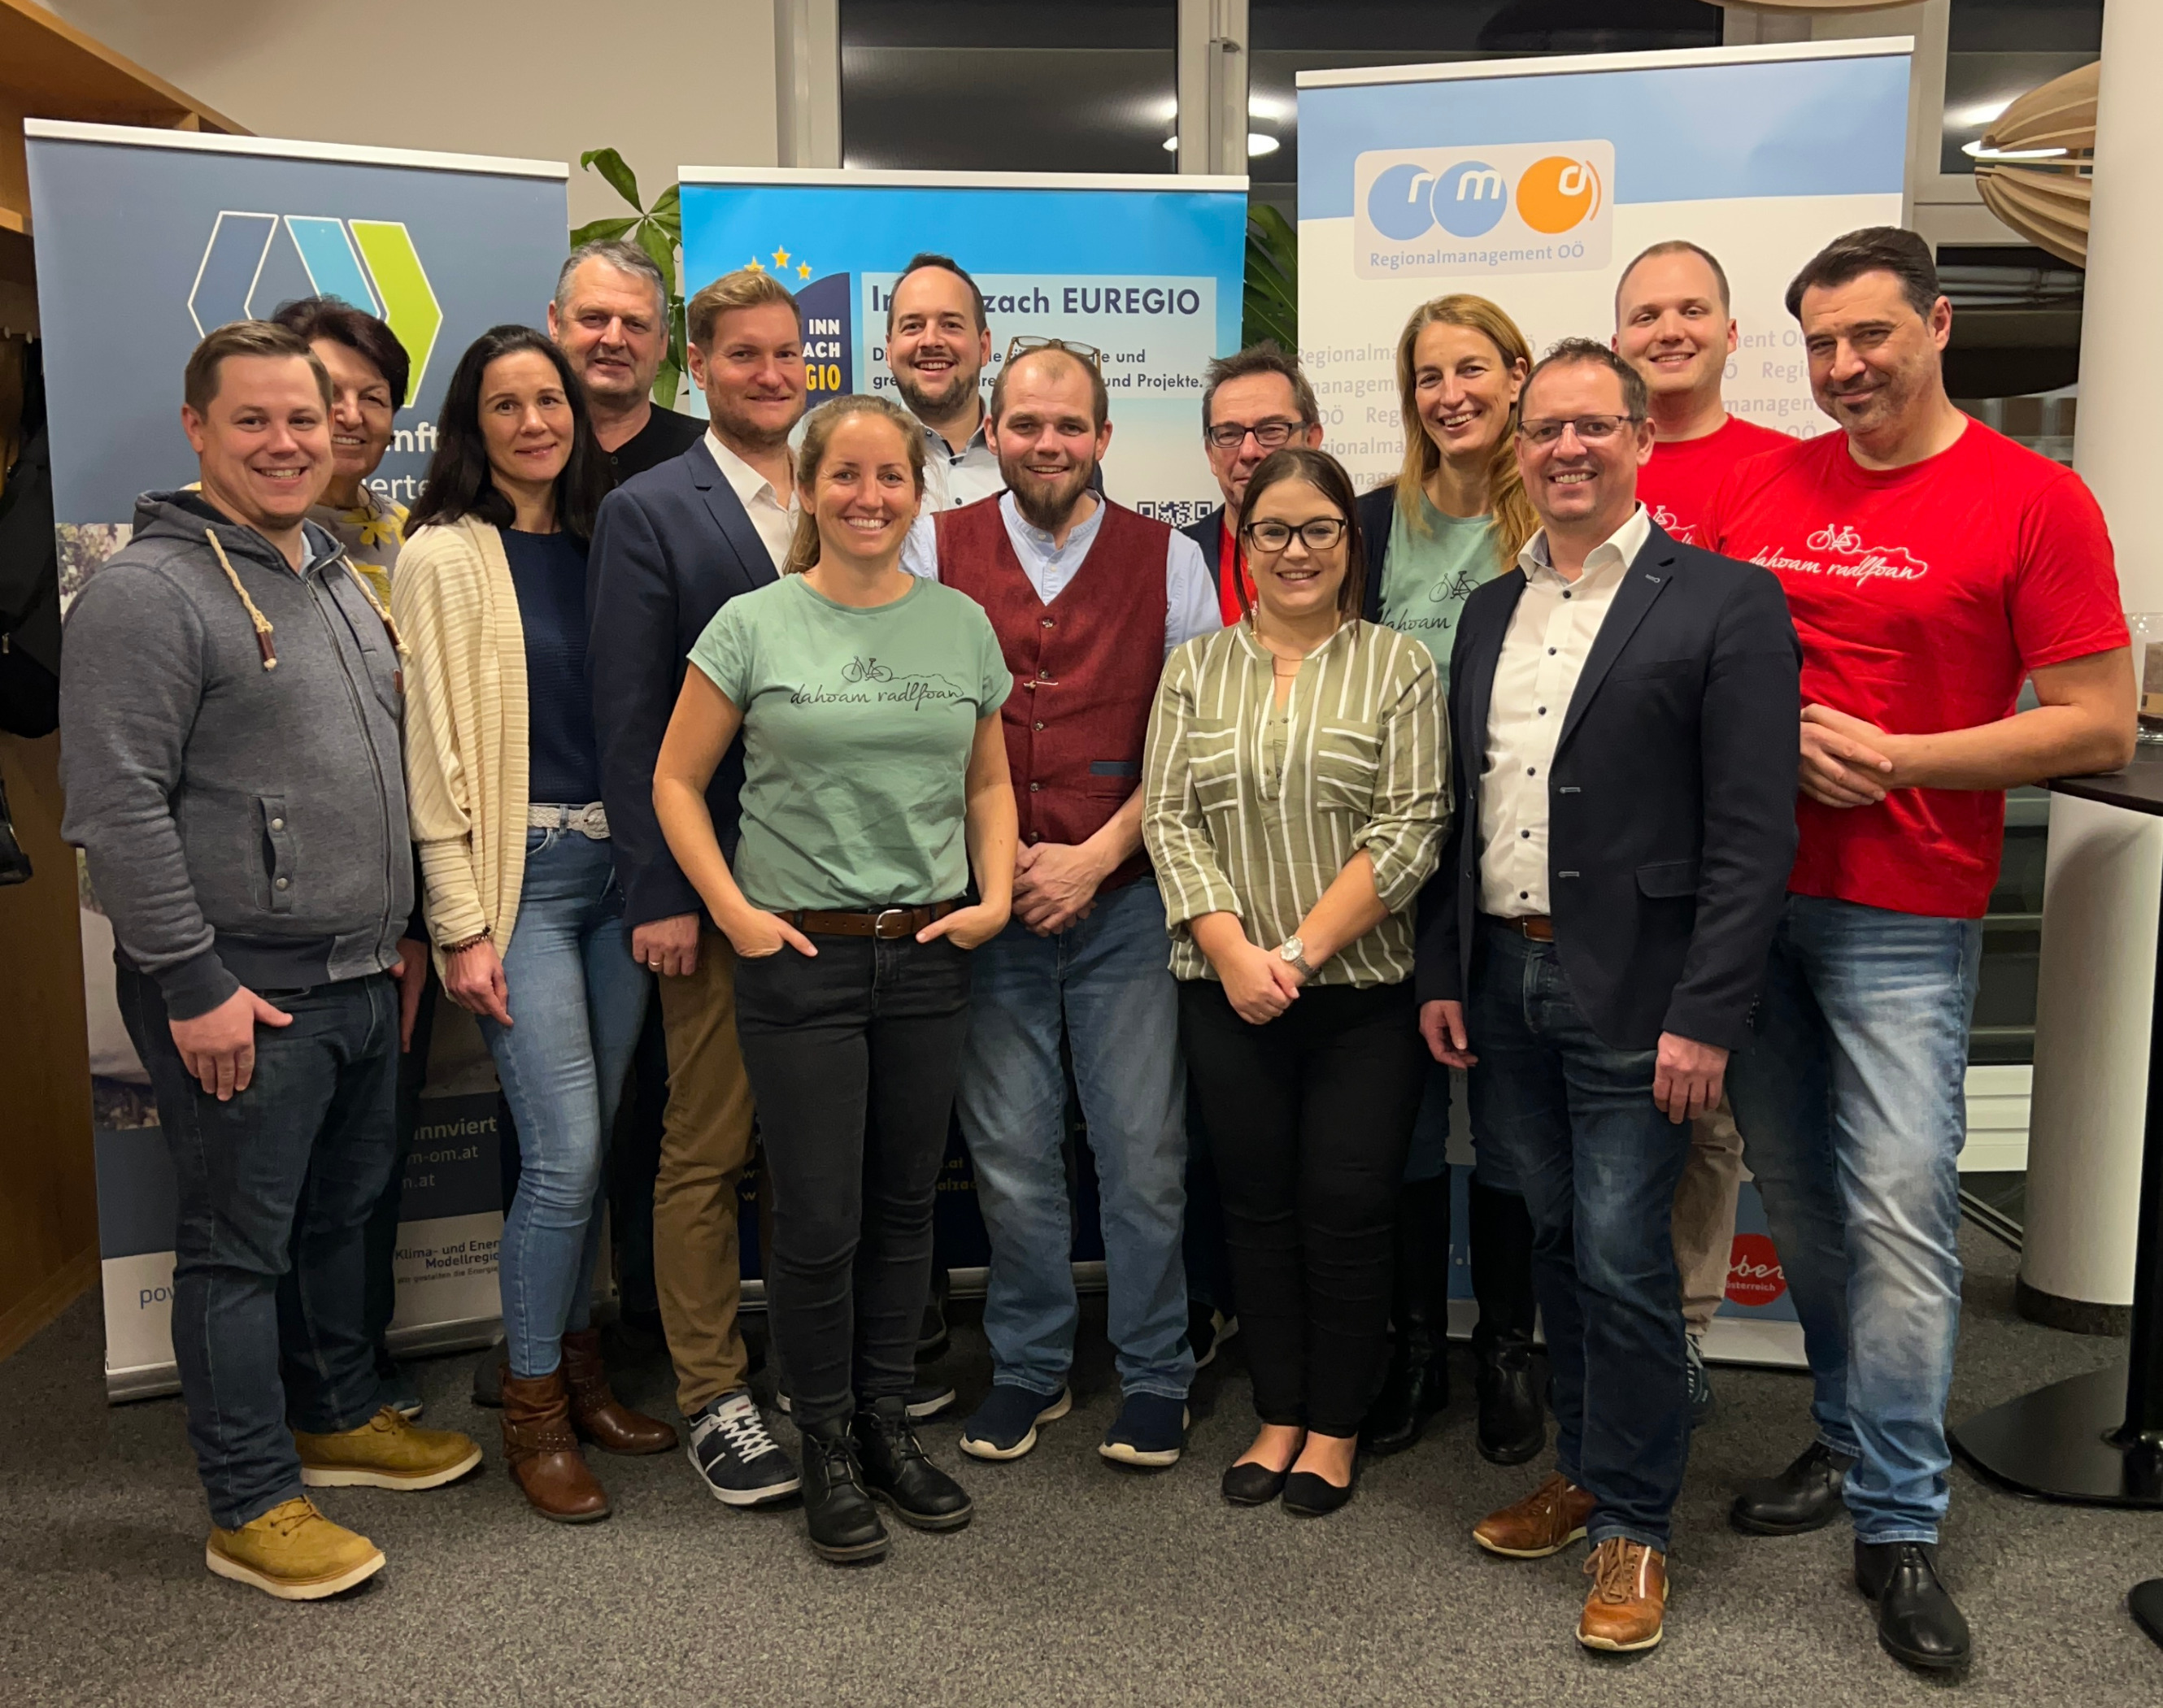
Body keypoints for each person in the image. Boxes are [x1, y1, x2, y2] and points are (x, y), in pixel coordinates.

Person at [1705, 228, 2134, 1672]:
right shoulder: (1770, 484)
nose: (1844, 367)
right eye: (1821, 344)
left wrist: (1903, 758)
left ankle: (1899, 1521)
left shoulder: (2035, 499)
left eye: (1870, 336)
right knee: (1804, 1201)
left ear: (1938, 326)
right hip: (1750, 901)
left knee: (1898, 1208)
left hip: (1906, 905)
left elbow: (2097, 720)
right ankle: (1843, 1436)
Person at [59, 321, 480, 1601]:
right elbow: (114, 808)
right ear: (197, 428)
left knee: (341, 1220)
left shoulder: (338, 573)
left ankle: (336, 1413)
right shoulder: (148, 593)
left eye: (306, 418)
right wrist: (193, 985)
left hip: (360, 974)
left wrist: (401, 932)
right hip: (239, 985)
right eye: (254, 420)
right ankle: (249, 1500)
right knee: (237, 1251)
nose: (288, 443)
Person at [1420, 339, 1800, 1654]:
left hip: (1643, 997)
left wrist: (1707, 1012)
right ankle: (1584, 1469)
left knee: (1628, 1256)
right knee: (1558, 1243)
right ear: (1518, 448)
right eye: (1545, 430)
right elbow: (1462, 808)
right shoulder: (1488, 610)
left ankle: (1638, 1521)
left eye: (1593, 425)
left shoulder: (1726, 601)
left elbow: (1753, 833)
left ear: (1641, 438)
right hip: (1502, 979)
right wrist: (1445, 972)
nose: (1566, 448)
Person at [653, 392, 1016, 1566]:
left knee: (906, 1207)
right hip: (797, 960)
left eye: (890, 477)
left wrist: (992, 896)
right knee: (816, 1217)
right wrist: (735, 914)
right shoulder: (753, 623)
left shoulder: (959, 623)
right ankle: (823, 1440)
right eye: (844, 476)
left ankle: (882, 1422)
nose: (869, 496)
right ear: (807, 491)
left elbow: (988, 781)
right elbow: (674, 780)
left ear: (919, 491)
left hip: (926, 954)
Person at [910, 339, 1219, 1469]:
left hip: (1124, 900)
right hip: (986, 907)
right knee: (1007, 1150)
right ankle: (1031, 1365)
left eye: (1070, 425)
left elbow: (1190, 745)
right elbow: (923, 723)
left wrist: (1091, 859)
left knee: (1143, 1150)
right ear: (993, 431)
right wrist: (1004, 870)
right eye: (1028, 424)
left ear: (1103, 437)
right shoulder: (930, 545)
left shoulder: (1171, 560)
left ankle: (1156, 1370)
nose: (1049, 443)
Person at [395, 325, 677, 1524]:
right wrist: (460, 922)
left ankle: (579, 1368)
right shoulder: (443, 554)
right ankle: (532, 1411)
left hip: (620, 878)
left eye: (548, 400)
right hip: (522, 885)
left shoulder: (611, 539)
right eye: (505, 404)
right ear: (473, 424)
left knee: (595, 1146)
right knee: (560, 1155)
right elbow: (430, 754)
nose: (533, 422)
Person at [1145, 445, 1446, 1518]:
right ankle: (1278, 1410)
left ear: (1348, 544)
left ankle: (1335, 1424)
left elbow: (1412, 826)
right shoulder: (1194, 670)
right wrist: (1235, 956)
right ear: (1243, 544)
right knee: (1256, 1206)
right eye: (1272, 530)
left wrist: (1299, 954)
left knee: (1348, 1206)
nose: (1295, 550)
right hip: (1223, 991)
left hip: (1360, 994)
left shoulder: (1398, 665)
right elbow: (1168, 819)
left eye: (1318, 529)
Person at [588, 267, 808, 1508]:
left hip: (840, 888)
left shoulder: (841, 487)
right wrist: (660, 892)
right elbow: (628, 720)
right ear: (699, 367)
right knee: (708, 1146)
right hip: (716, 886)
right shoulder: (652, 510)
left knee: (814, 1145)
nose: (769, 374)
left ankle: (812, 1368)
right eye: (742, 355)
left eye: (786, 353)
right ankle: (714, 1390)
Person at [1355, 295, 1545, 1466]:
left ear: (1517, 375)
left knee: (1512, 1126)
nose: (1449, 394)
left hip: (1511, 859)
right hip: (1389, 859)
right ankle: (1417, 1348)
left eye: (1470, 369)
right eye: (1428, 376)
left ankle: (1509, 1350)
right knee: (1409, 1127)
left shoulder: (1554, 515)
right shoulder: (1375, 521)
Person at [1612, 239, 1795, 1425]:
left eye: (1690, 311)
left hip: (1724, 849)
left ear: (1731, 333)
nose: (1667, 330)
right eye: (1644, 314)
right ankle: (1609, 1342)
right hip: (1604, 858)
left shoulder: (1787, 472)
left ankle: (1678, 1336)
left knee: (1708, 1119)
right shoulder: (1581, 464)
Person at [270, 293, 433, 1422]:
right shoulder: (228, 549)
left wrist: (423, 918)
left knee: (369, 1164)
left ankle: (350, 1378)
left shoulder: (407, 540)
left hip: (397, 908)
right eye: (330, 392)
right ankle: (284, 1402)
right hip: (276, 924)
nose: (352, 415)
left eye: (374, 397)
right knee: (273, 1180)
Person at [1183, 341, 1324, 624]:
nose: (1249, 452)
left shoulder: (1363, 548)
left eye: (1271, 430)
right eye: (1229, 434)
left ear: (1311, 440)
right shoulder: (1175, 559)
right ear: (1211, 454)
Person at [549, 237, 707, 487]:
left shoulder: (712, 455)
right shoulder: (521, 453)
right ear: (556, 323)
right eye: (594, 318)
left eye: (635, 324)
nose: (614, 340)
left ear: (663, 340)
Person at [886, 252, 1003, 511]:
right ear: (889, 350)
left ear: (984, 347)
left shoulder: (1032, 457)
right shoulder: (857, 457)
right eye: (913, 326)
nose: (931, 341)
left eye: (950, 325)